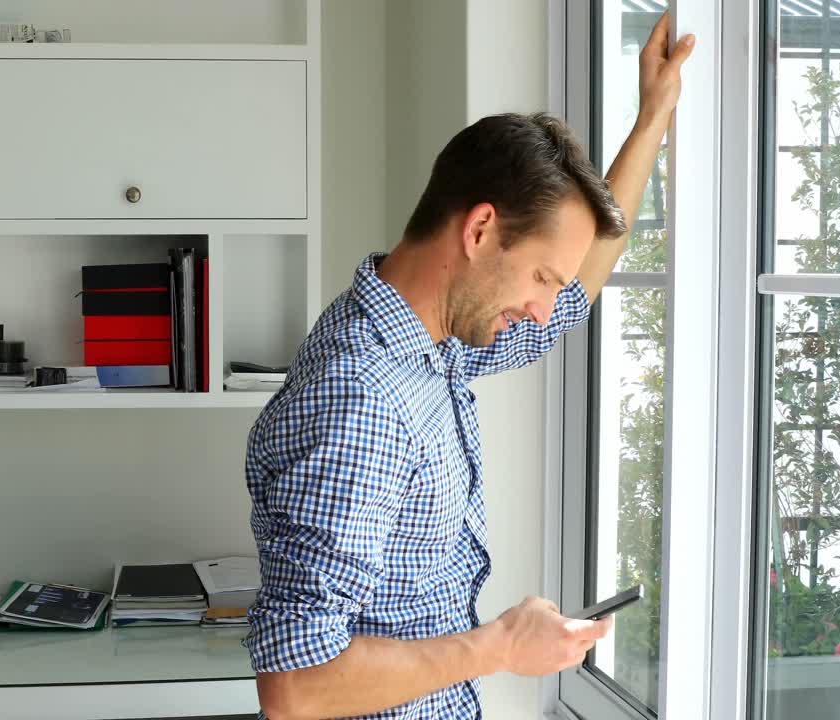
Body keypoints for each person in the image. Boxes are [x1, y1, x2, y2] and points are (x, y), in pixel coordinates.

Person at [241, 14, 695, 720]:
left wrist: (653, 119)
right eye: (541, 276)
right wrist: (503, 646)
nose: (545, 308)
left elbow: (575, 297)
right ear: (480, 230)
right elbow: (296, 685)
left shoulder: (429, 346)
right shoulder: (362, 397)